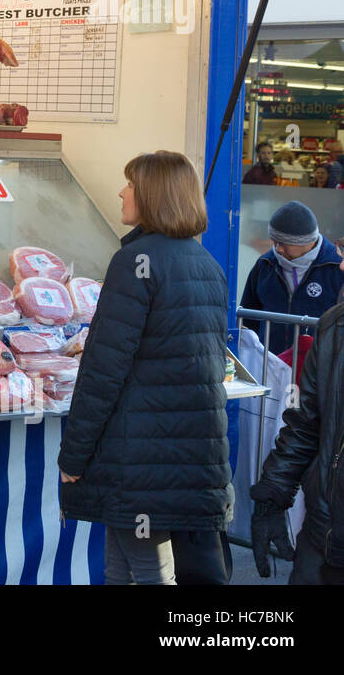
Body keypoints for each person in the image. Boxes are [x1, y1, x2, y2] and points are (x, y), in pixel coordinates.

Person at [58, 151, 233, 585]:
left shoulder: (135, 262)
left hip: (140, 454)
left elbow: (103, 371)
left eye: (131, 185)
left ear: (153, 195)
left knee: (150, 572)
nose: (121, 192)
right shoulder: (205, 263)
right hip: (184, 450)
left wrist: (74, 455)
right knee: (122, 562)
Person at [249, 280, 344, 584]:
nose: (340, 265)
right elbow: (306, 424)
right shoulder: (334, 326)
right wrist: (272, 497)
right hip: (322, 536)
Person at [239, 201, 343, 356]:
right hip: (268, 366)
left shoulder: (337, 267)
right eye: (274, 241)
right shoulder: (265, 264)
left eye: (284, 243)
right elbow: (248, 319)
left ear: (308, 241)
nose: (278, 248)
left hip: (317, 370)